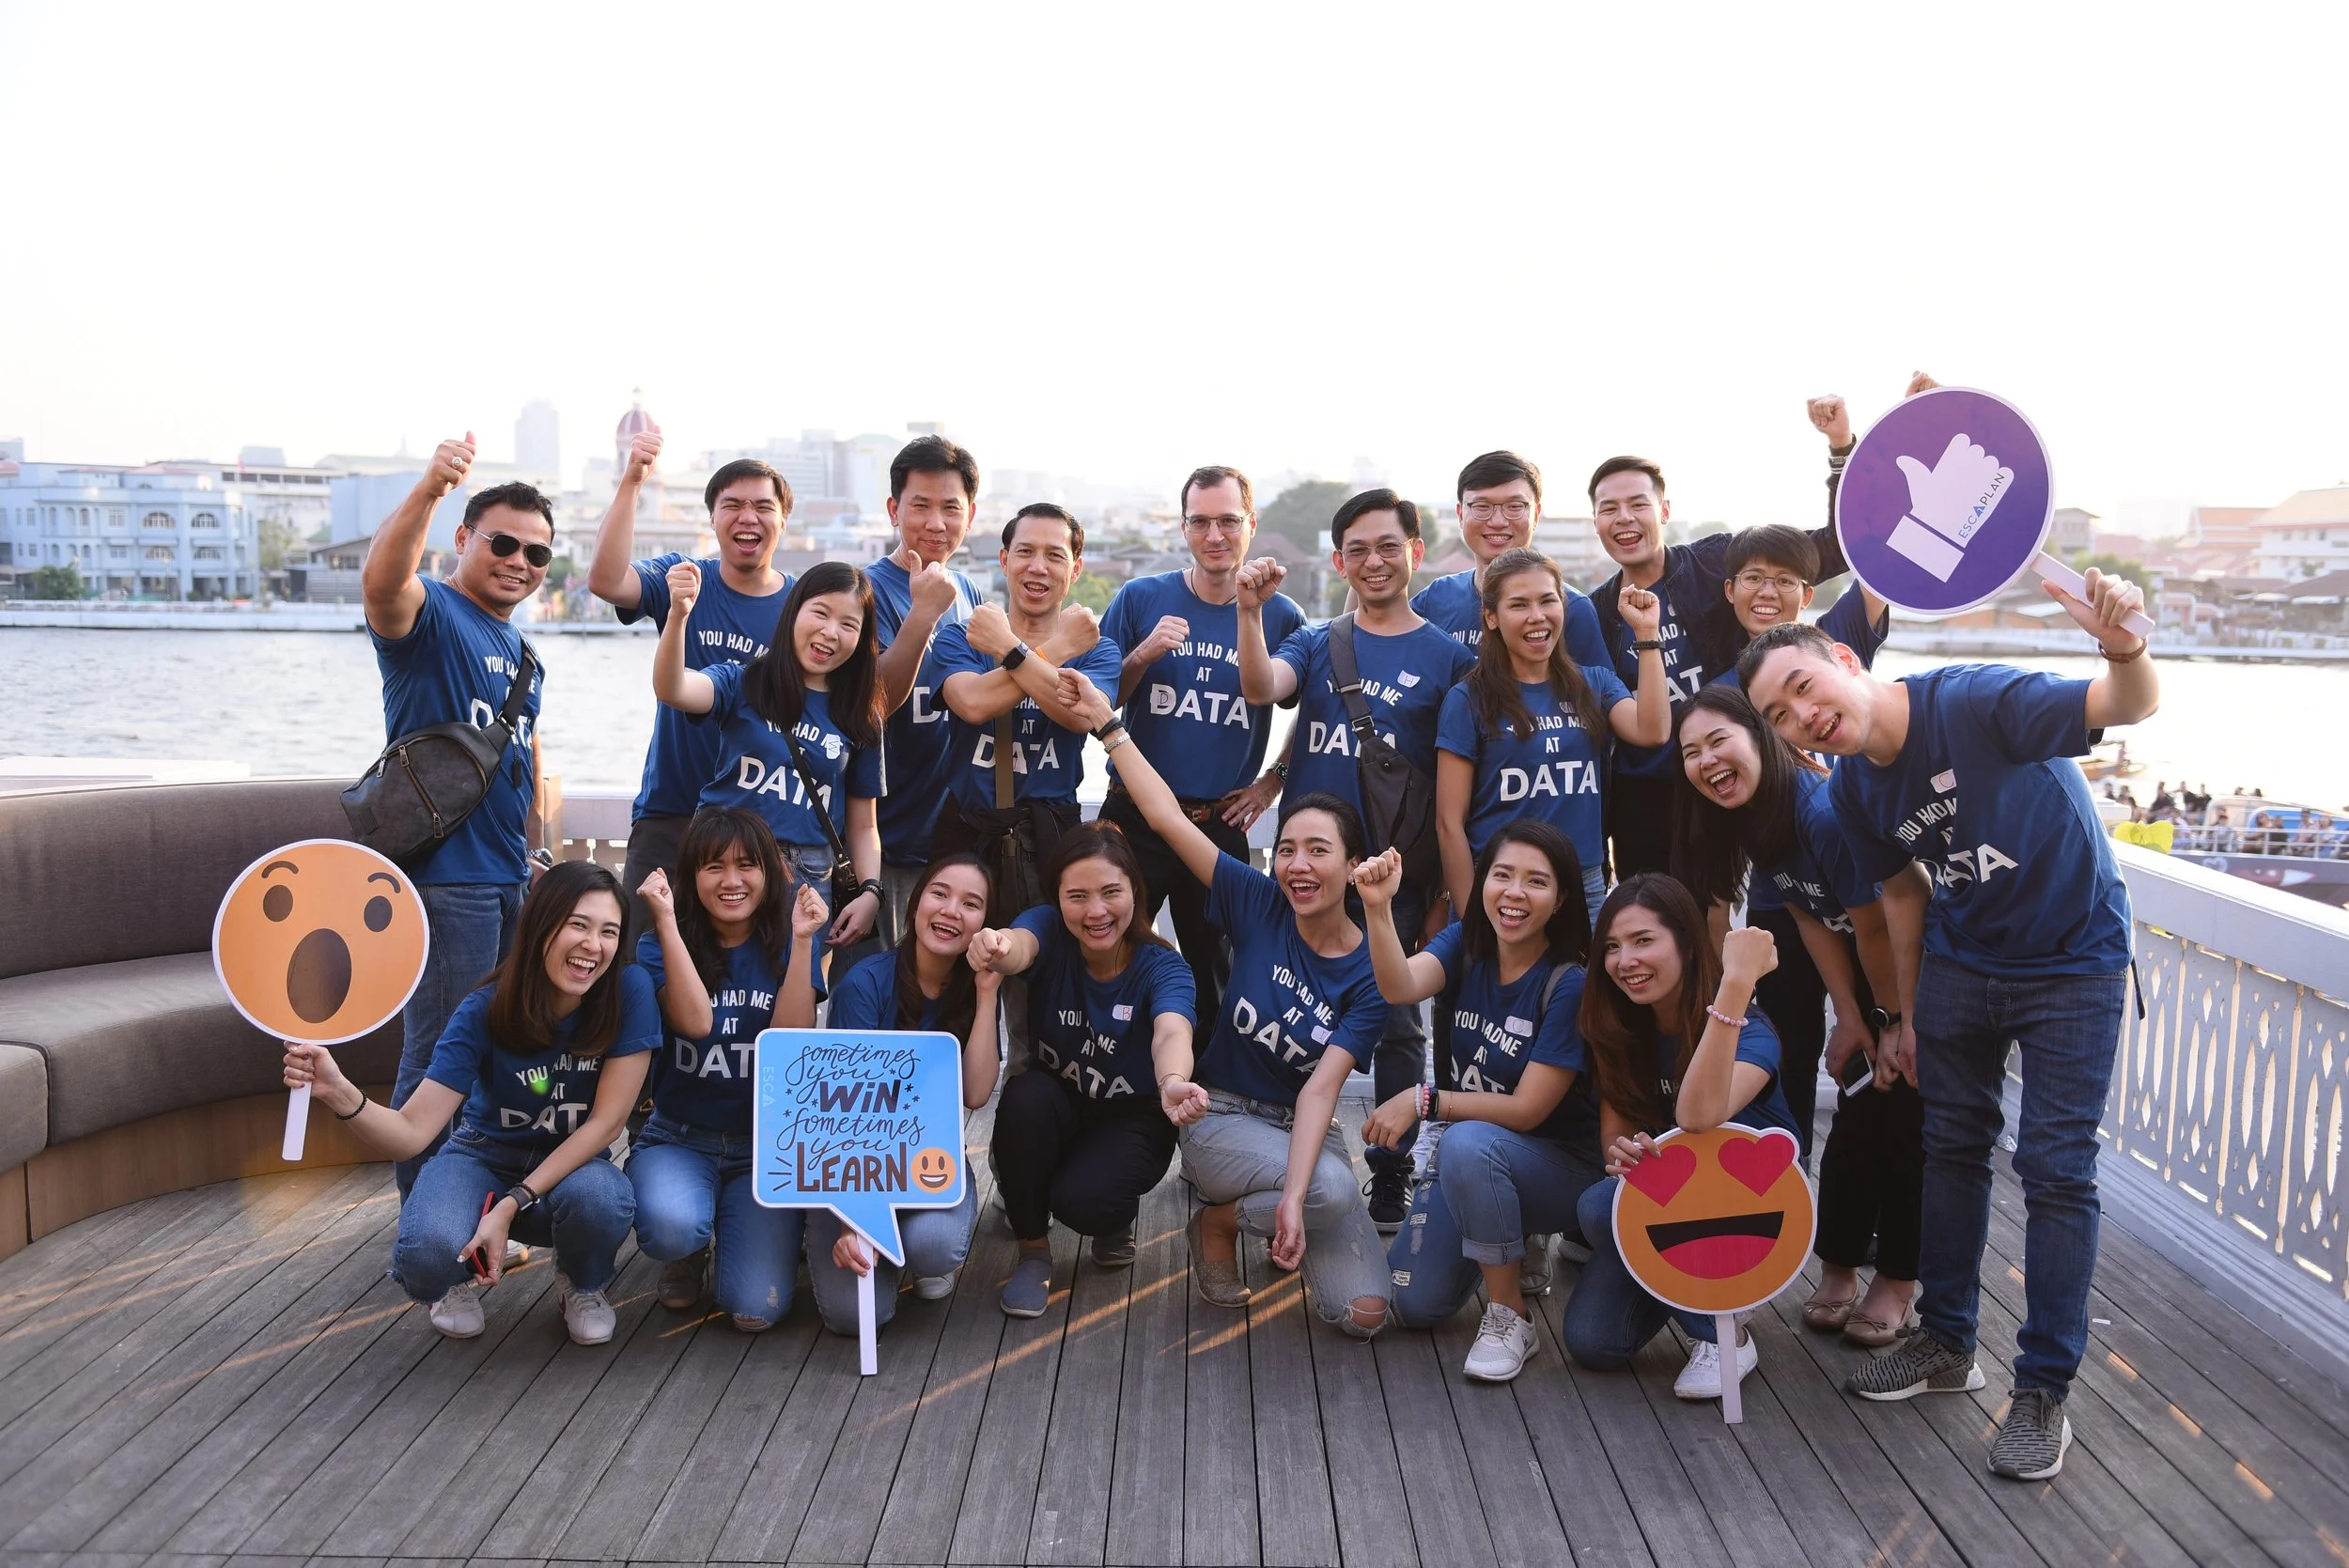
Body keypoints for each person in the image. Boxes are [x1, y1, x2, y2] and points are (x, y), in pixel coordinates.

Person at [1739, 563, 2159, 1481]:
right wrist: (1903, 1016)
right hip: (1965, 962)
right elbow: (1897, 897)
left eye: (1802, 688)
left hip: (2074, 957)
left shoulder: (1975, 701)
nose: (1800, 718)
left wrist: (2121, 641)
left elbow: (2126, 705)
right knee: (1950, 1149)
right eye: (1777, 716)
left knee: (2055, 1168)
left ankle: (2041, 1389)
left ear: (1844, 657)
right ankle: (1947, 1340)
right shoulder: (1853, 792)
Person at [1063, 673, 1391, 1336]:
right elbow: (1163, 816)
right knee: (1324, 1189)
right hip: (1221, 1118)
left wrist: (1294, 1197)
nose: (1296, 865)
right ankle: (1215, 1222)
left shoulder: (1371, 971)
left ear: (1354, 863)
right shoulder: (1259, 902)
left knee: (1365, 1314)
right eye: (1287, 849)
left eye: (1318, 851)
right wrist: (1109, 725)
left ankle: (1281, 1205)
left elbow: (1323, 1091)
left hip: (1303, 1127)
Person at [280, 862, 657, 1345]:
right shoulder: (485, 1008)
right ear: (541, 926)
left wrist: (511, 1205)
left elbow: (607, 1125)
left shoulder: (629, 991)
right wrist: (338, 1092)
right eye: (578, 925)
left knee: (603, 1200)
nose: (593, 945)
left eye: (609, 931)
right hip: (483, 1154)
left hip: (573, 1163)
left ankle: (580, 1283)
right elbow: (411, 1133)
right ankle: (453, 1284)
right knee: (429, 1252)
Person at [1236, 489, 1477, 1230]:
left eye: (1388, 545)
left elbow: (1449, 786)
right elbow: (1262, 686)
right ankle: (1267, 1153)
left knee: (1399, 1026)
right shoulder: (1316, 640)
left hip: (1389, 878)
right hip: (1306, 872)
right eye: (1358, 550)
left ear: (1415, 551)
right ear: (1339, 560)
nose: (1373, 561)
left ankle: (1391, 1169)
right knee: (1280, 1004)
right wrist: (1249, 614)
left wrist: (1436, 892)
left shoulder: (1450, 660)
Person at [1672, 685, 1930, 1347]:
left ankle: (1897, 1281)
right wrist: (1846, 1016)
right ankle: (1839, 1268)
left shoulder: (1820, 808)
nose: (1705, 761)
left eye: (1718, 740)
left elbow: (1879, 927)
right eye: (1690, 752)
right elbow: (1811, 916)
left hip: (1914, 973)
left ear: (1762, 736)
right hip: (1867, 984)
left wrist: (1894, 1019)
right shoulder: (1764, 817)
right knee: (1853, 1113)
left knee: (1904, 1122)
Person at [1581, 379, 1912, 879]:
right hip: (1648, 801)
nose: (1625, 518)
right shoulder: (1596, 612)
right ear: (1596, 522)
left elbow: (1841, 548)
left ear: (1664, 511)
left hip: (1746, 776)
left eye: (1639, 504)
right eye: (1609, 508)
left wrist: (1843, 448)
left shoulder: (1719, 562)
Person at [361, 432, 551, 1198]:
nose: (519, 561)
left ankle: (472, 1207)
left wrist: (538, 856)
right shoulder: (432, 615)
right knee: (437, 1052)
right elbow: (382, 582)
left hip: (506, 878)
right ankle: (429, 1228)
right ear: (465, 539)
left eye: (537, 554)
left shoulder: (524, 652)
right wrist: (431, 489)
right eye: (502, 542)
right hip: (444, 882)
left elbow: (524, 765)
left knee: (498, 1049)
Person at [1353, 824, 1601, 1382]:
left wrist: (1422, 1099)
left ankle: (1509, 1313)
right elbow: (1399, 986)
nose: (1514, 893)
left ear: (1561, 898)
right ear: (1482, 881)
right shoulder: (1466, 944)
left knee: (1466, 1141)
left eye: (1536, 882)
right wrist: (1377, 909)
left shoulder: (1568, 983)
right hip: (1480, 1162)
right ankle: (1509, 1233)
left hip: (1562, 1167)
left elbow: (1528, 1112)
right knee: (1413, 1304)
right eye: (1502, 875)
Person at [1561, 875, 1796, 1401]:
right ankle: (1702, 1296)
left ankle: (1723, 1334)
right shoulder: (1621, 1028)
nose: (1626, 961)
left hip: (1750, 1208)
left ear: (1687, 944)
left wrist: (1737, 982)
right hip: (1670, 1211)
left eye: (1644, 941)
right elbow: (1614, 1144)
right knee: (1593, 1342)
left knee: (1601, 1209)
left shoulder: (1750, 1028)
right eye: (1613, 948)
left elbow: (1698, 1114)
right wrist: (1625, 1156)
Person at [1704, 517, 1891, 1159]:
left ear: (1807, 594)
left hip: (1862, 882)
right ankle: (1786, 1179)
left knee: (1866, 1041)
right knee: (1786, 1045)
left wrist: (1849, 450)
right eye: (1754, 577)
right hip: (1782, 892)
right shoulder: (1724, 696)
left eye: (1785, 579)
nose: (1768, 590)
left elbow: (1881, 564)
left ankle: (1851, 1204)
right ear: (1730, 590)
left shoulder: (1829, 647)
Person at [965, 823, 1206, 1317]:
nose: (1095, 911)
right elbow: (1020, 944)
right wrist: (996, 947)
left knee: (1083, 1200)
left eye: (1111, 893)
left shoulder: (1163, 967)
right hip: (1059, 1103)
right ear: (1057, 899)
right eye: (1077, 896)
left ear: (1135, 892)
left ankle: (1113, 1216)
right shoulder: (1051, 929)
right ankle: (1033, 1253)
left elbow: (1171, 1031)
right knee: (1023, 1097)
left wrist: (1173, 1082)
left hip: (1134, 1116)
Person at [1100, 465, 1300, 1056]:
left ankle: (1210, 1111)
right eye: (1201, 522)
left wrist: (1273, 780)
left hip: (1219, 825)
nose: (1215, 535)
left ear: (1251, 525)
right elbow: (1097, 703)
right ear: (1183, 528)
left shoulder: (1279, 613)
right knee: (1113, 955)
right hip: (1134, 819)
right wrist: (1142, 653)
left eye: (1228, 521)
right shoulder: (1141, 598)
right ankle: (1123, 1086)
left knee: (1220, 975)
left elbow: (1317, 711)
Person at [928, 503, 1125, 1063]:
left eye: (1054, 555)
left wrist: (1013, 651)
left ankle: (1023, 1136)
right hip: (966, 833)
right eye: (1026, 552)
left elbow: (1080, 716)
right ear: (1003, 559)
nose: (1038, 568)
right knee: (940, 988)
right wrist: (1054, 651)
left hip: (1048, 839)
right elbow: (970, 702)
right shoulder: (966, 635)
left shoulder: (1099, 647)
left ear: (1076, 568)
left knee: (1038, 1003)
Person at [586, 426, 794, 946]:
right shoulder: (685, 578)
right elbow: (607, 581)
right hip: (671, 811)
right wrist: (633, 480)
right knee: (638, 962)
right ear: (713, 518)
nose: (748, 517)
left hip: (762, 825)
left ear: (783, 521)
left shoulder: (803, 609)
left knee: (749, 973)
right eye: (733, 505)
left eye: (763, 507)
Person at [629, 809, 828, 1331]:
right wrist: (668, 923)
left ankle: (738, 1234)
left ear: (768, 873)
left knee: (754, 1311)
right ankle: (688, 1248)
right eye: (714, 867)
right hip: (680, 1135)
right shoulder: (658, 943)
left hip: (763, 1148)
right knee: (675, 1226)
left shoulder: (790, 935)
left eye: (747, 865)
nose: (732, 881)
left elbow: (788, 1040)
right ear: (692, 875)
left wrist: (804, 940)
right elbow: (695, 1023)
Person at [650, 561, 886, 969]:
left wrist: (870, 892)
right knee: (703, 985)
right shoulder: (743, 682)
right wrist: (678, 615)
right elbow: (673, 689)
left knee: (789, 1007)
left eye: (849, 625)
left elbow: (863, 824)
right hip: (724, 864)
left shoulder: (861, 717)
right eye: (821, 613)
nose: (831, 632)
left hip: (806, 878)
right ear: (793, 611)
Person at [808, 854, 1003, 1326]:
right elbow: (843, 1118)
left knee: (935, 1250)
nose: (951, 911)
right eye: (939, 894)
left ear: (983, 923)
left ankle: (905, 1249)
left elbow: (976, 1094)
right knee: (854, 1318)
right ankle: (858, 1240)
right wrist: (852, 1225)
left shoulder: (975, 986)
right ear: (916, 904)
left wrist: (987, 992)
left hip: (926, 1162)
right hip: (852, 1166)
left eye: (971, 903)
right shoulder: (865, 983)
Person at [1436, 546, 1669, 925]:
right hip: (1501, 887)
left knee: (1580, 987)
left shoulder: (1594, 683)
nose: (1537, 616)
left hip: (1582, 886)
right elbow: (1449, 823)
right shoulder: (1468, 699)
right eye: (1519, 605)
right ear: (1491, 617)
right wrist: (1471, 921)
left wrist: (1646, 633)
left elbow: (1653, 730)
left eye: (1548, 601)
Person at [863, 435, 989, 945]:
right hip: (881, 842)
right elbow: (871, 703)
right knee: (876, 1000)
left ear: (971, 515)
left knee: (942, 1006)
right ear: (894, 510)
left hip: (953, 844)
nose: (936, 524)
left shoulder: (972, 594)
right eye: (920, 506)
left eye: (951, 509)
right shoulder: (860, 590)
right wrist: (923, 614)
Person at [1412, 450, 1609, 665]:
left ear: (1536, 515)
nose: (1497, 521)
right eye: (1482, 507)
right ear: (1460, 514)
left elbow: (1598, 695)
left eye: (1514, 507)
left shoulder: (1573, 608)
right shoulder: (1434, 599)